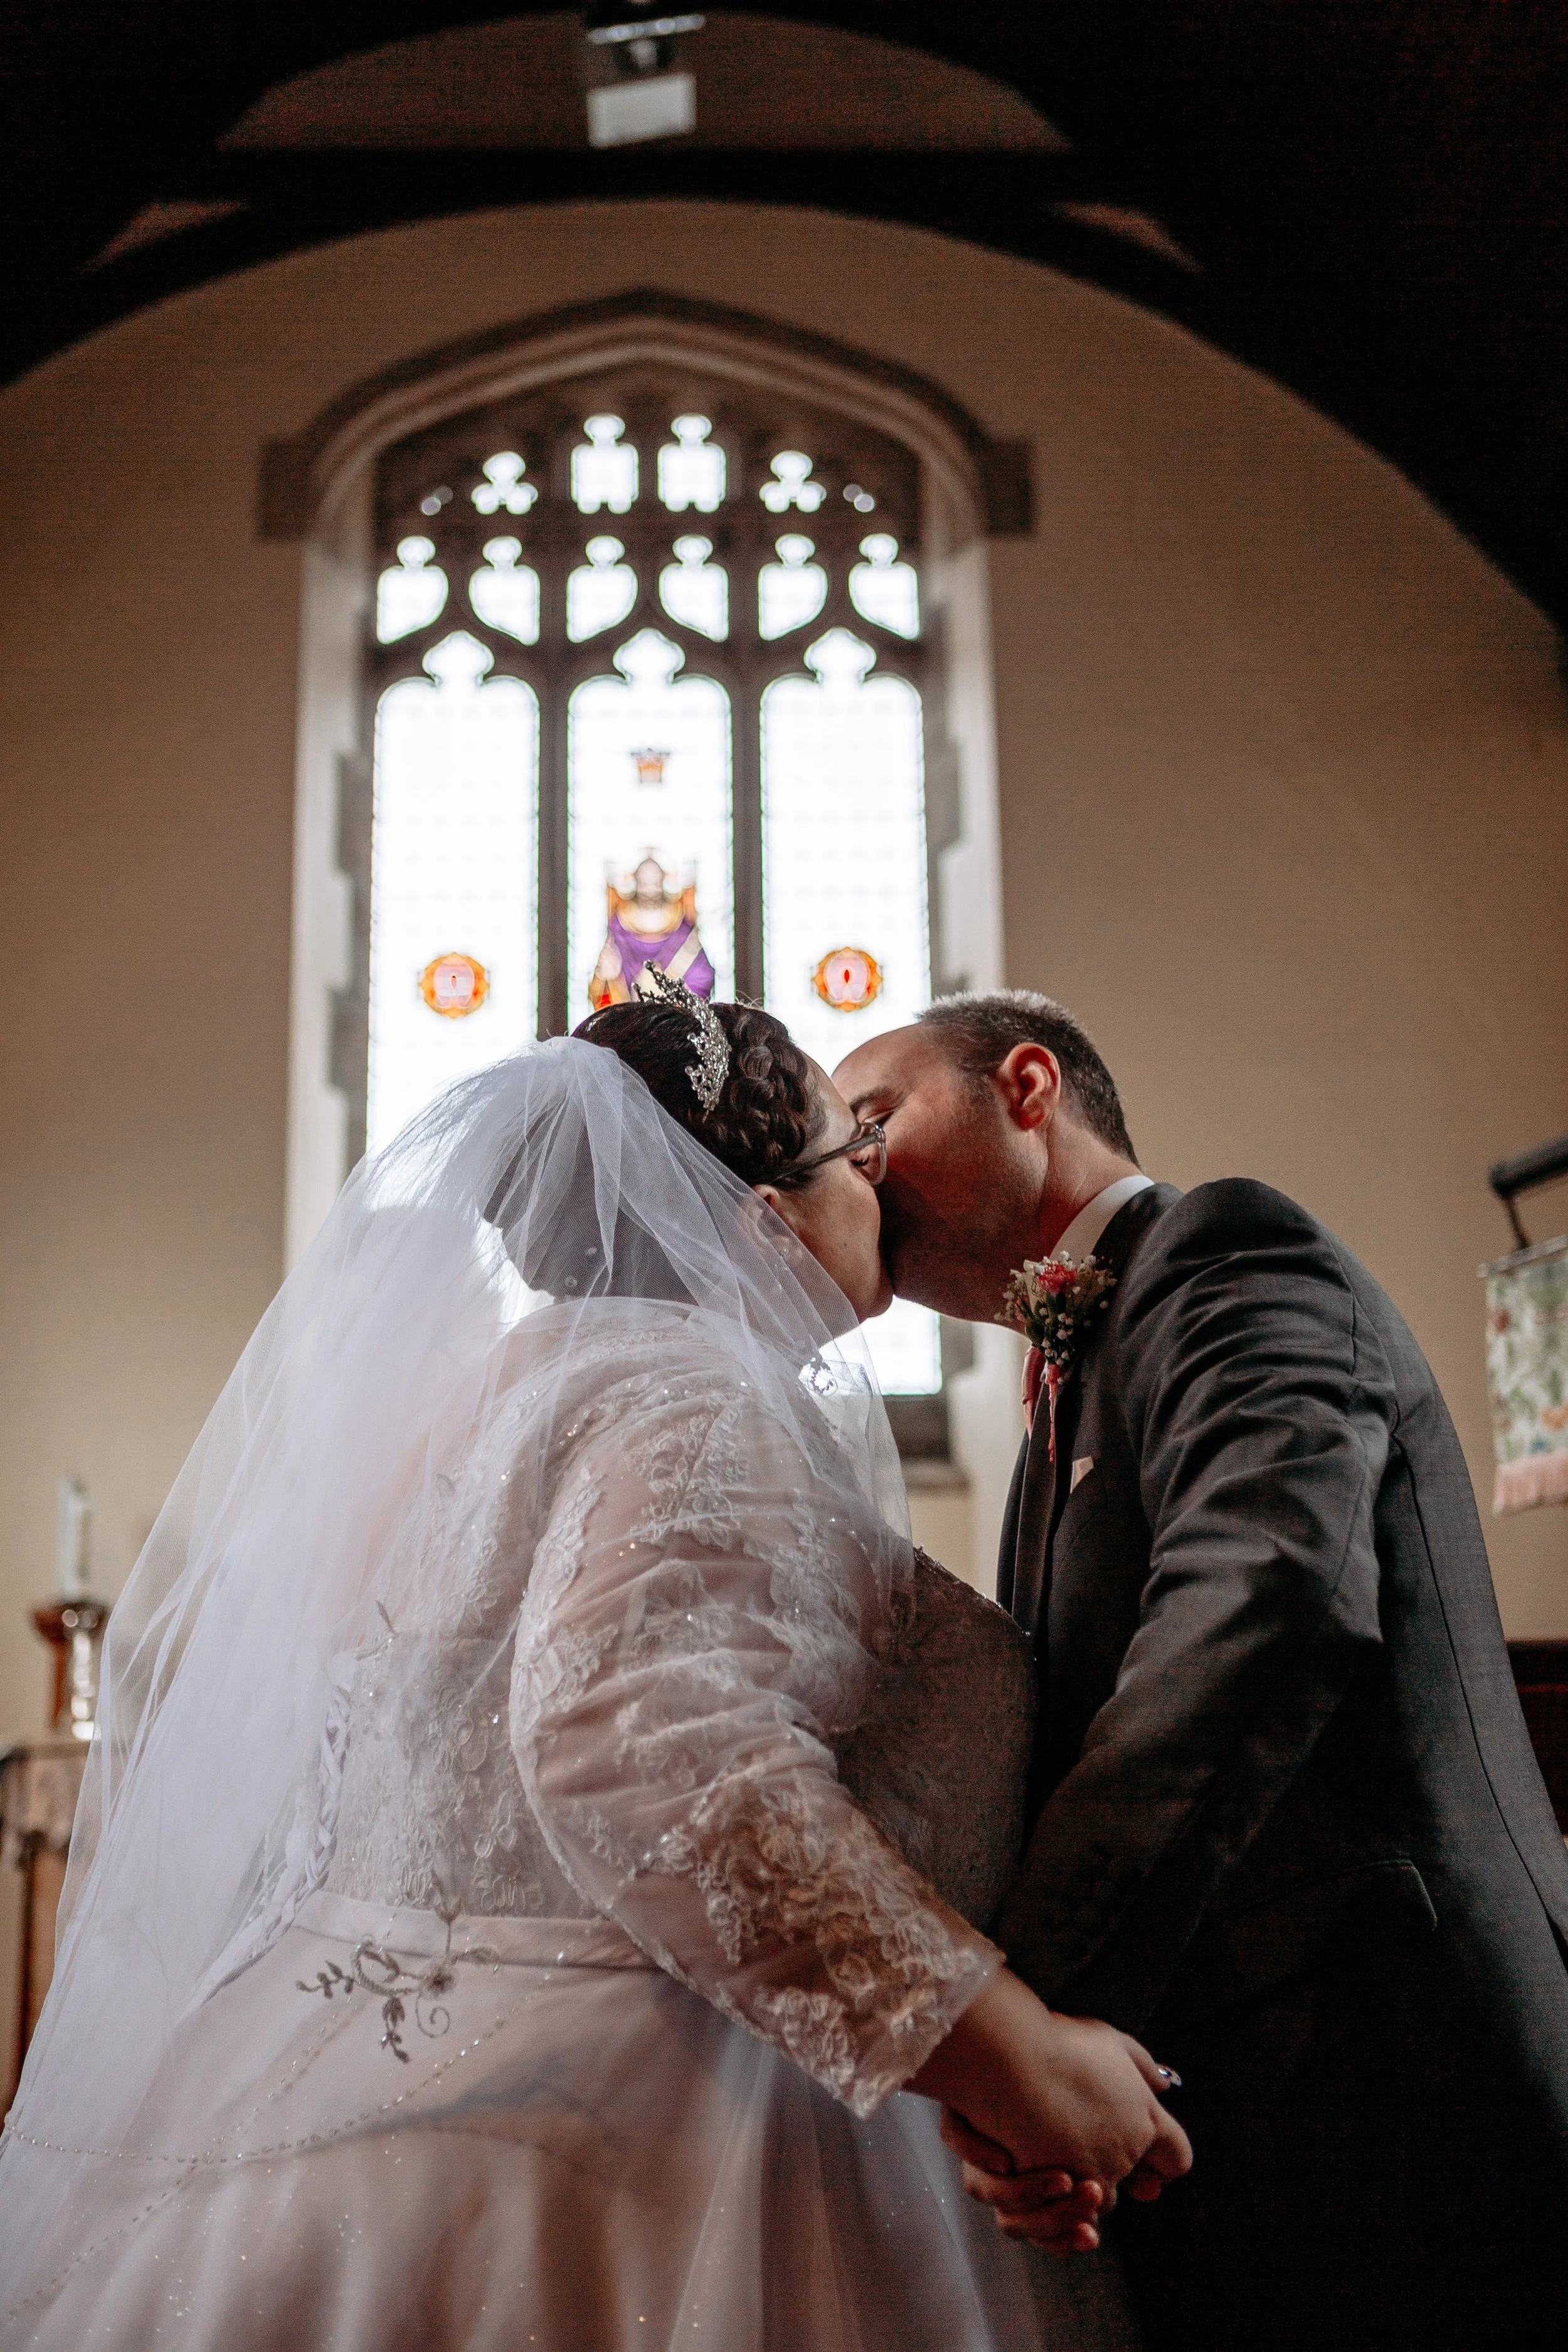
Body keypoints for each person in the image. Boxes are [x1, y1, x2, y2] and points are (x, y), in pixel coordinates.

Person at [0, 981, 1188, 2352]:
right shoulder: (697, 1396)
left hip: (361, 2075)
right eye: (846, 1147)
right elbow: (645, 1758)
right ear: (765, 1214)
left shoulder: (498, 1402)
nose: (877, 1175)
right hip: (636, 2134)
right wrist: (1017, 2058)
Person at [835, 988, 1568, 2352]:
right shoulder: (1065, 1383)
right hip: (1238, 2088)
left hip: (1393, 2075)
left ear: (1028, 1086)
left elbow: (1260, 1603)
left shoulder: (1226, 1249)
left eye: (874, 1122)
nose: (856, 1171)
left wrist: (1030, 2023)